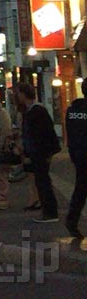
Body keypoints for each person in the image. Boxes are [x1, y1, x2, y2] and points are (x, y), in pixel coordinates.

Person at [15, 82, 60, 222]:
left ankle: (50, 212)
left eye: (18, 93)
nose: (16, 96)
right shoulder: (34, 111)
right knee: (42, 181)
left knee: (43, 181)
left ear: (23, 94)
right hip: (40, 152)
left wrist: (33, 153)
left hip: (39, 153)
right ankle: (49, 211)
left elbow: (40, 135)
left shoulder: (36, 112)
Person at [64, 79, 87, 238]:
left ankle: (72, 220)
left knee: (81, 189)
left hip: (78, 155)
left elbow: (70, 134)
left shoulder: (72, 109)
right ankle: (71, 220)